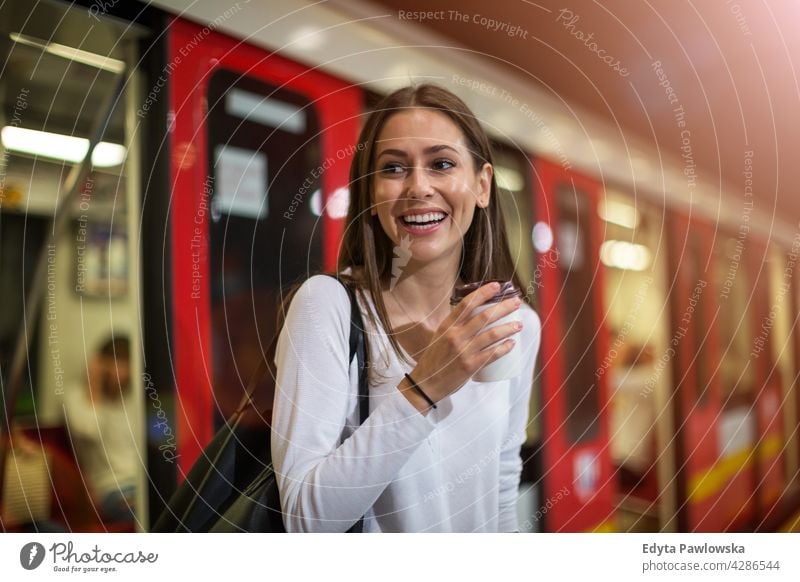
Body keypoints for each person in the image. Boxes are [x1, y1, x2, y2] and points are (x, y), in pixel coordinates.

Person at [271, 84, 541, 532]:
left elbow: (501, 485)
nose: (418, 187)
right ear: (372, 195)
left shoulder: (514, 324)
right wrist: (425, 387)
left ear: (482, 184)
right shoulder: (328, 308)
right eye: (393, 168)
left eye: (442, 164)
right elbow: (306, 519)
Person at [63, 335, 138, 524]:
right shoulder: (77, 398)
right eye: (115, 365)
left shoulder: (132, 399)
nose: (120, 374)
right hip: (110, 489)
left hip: (141, 485)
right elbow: (90, 431)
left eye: (125, 365)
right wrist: (94, 386)